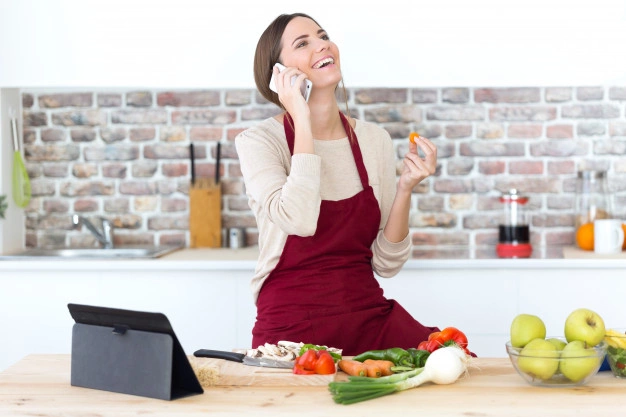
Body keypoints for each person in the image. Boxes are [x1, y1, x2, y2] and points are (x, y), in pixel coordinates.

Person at [235, 13, 439, 355]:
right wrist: (300, 115)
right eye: (303, 43)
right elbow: (298, 220)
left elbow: (386, 265)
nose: (322, 44)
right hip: (292, 326)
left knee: (450, 358)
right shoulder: (259, 142)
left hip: (367, 316)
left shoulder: (374, 140)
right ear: (278, 74)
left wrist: (405, 187)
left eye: (323, 35)